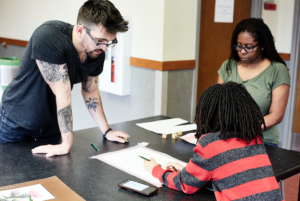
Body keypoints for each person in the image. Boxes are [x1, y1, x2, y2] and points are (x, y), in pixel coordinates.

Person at [0, 0, 130, 157]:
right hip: (16, 122)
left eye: (109, 42)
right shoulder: (49, 37)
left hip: (51, 124)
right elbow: (63, 93)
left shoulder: (95, 51)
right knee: (11, 178)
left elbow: (91, 91)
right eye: (100, 41)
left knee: (52, 175)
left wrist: (107, 131)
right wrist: (66, 144)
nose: (104, 47)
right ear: (80, 30)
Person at [144, 82, 283, 201]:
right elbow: (230, 173)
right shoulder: (254, 138)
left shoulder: (210, 143)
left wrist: (155, 170)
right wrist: (188, 170)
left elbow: (185, 184)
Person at [217, 18, 290, 146]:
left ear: (261, 46)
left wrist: (242, 130)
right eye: (238, 46)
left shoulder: (277, 70)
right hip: (228, 138)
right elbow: (217, 103)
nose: (242, 51)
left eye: (249, 47)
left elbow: (276, 115)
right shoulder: (228, 66)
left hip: (262, 141)